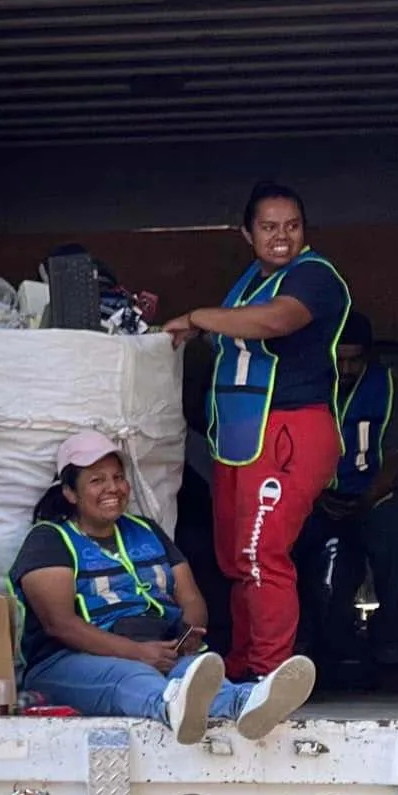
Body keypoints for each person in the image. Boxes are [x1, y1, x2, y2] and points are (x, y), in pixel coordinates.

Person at [11, 432, 316, 744]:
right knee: (133, 677)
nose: (112, 488)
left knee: (195, 669)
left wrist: (187, 634)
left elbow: (191, 597)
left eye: (118, 477)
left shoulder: (145, 530)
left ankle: (247, 702)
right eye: (96, 480)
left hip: (153, 652)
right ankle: (171, 705)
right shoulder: (49, 540)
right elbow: (60, 625)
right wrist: (138, 653)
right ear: (70, 493)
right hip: (64, 663)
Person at [164, 181, 351, 682]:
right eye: (269, 227)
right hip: (241, 440)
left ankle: (269, 677)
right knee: (236, 559)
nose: (282, 237)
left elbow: (276, 322)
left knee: (261, 555)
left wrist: (198, 317)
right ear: (247, 233)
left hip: (291, 430)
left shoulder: (315, 277)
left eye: (292, 226)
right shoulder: (250, 280)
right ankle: (244, 668)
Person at [294, 311, 398, 683]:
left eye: (356, 359)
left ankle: (392, 644)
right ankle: (301, 643)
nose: (348, 367)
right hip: (314, 496)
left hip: (373, 496)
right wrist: (318, 495)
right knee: (287, 545)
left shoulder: (388, 386)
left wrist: (366, 500)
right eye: (341, 359)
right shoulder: (307, 385)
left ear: (369, 355)